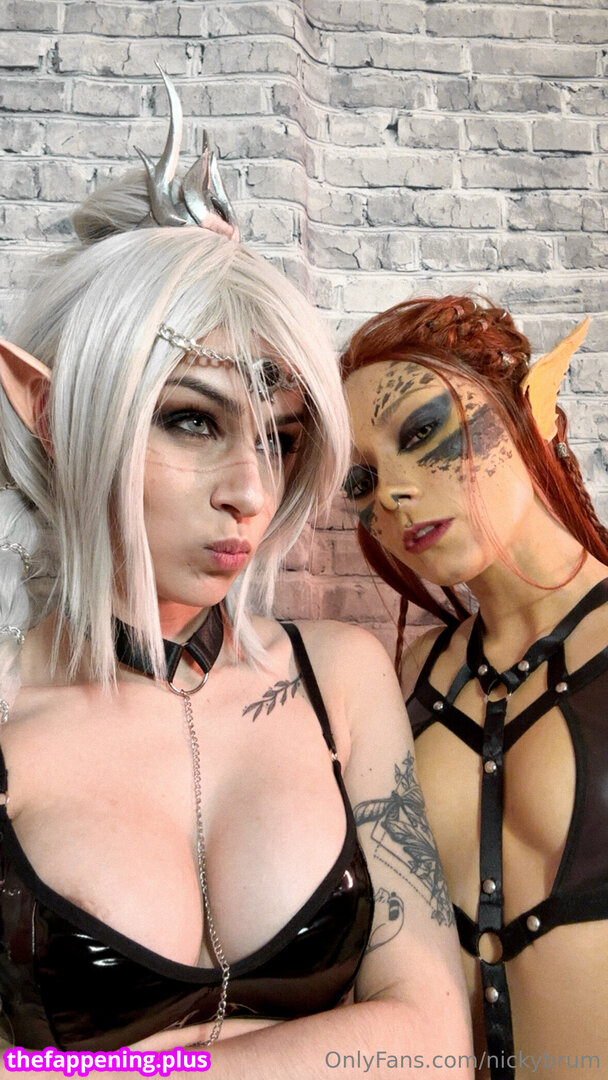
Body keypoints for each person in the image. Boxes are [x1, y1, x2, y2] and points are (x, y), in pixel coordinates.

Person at [0, 75, 472, 1077]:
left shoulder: (338, 675)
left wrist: (126, 1067)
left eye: (281, 439)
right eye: (191, 419)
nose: (252, 492)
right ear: (51, 413)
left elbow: (436, 1046)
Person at [341, 295, 608, 1080]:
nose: (391, 494)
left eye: (423, 432)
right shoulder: (409, 676)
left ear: (532, 410)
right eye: (361, 479)